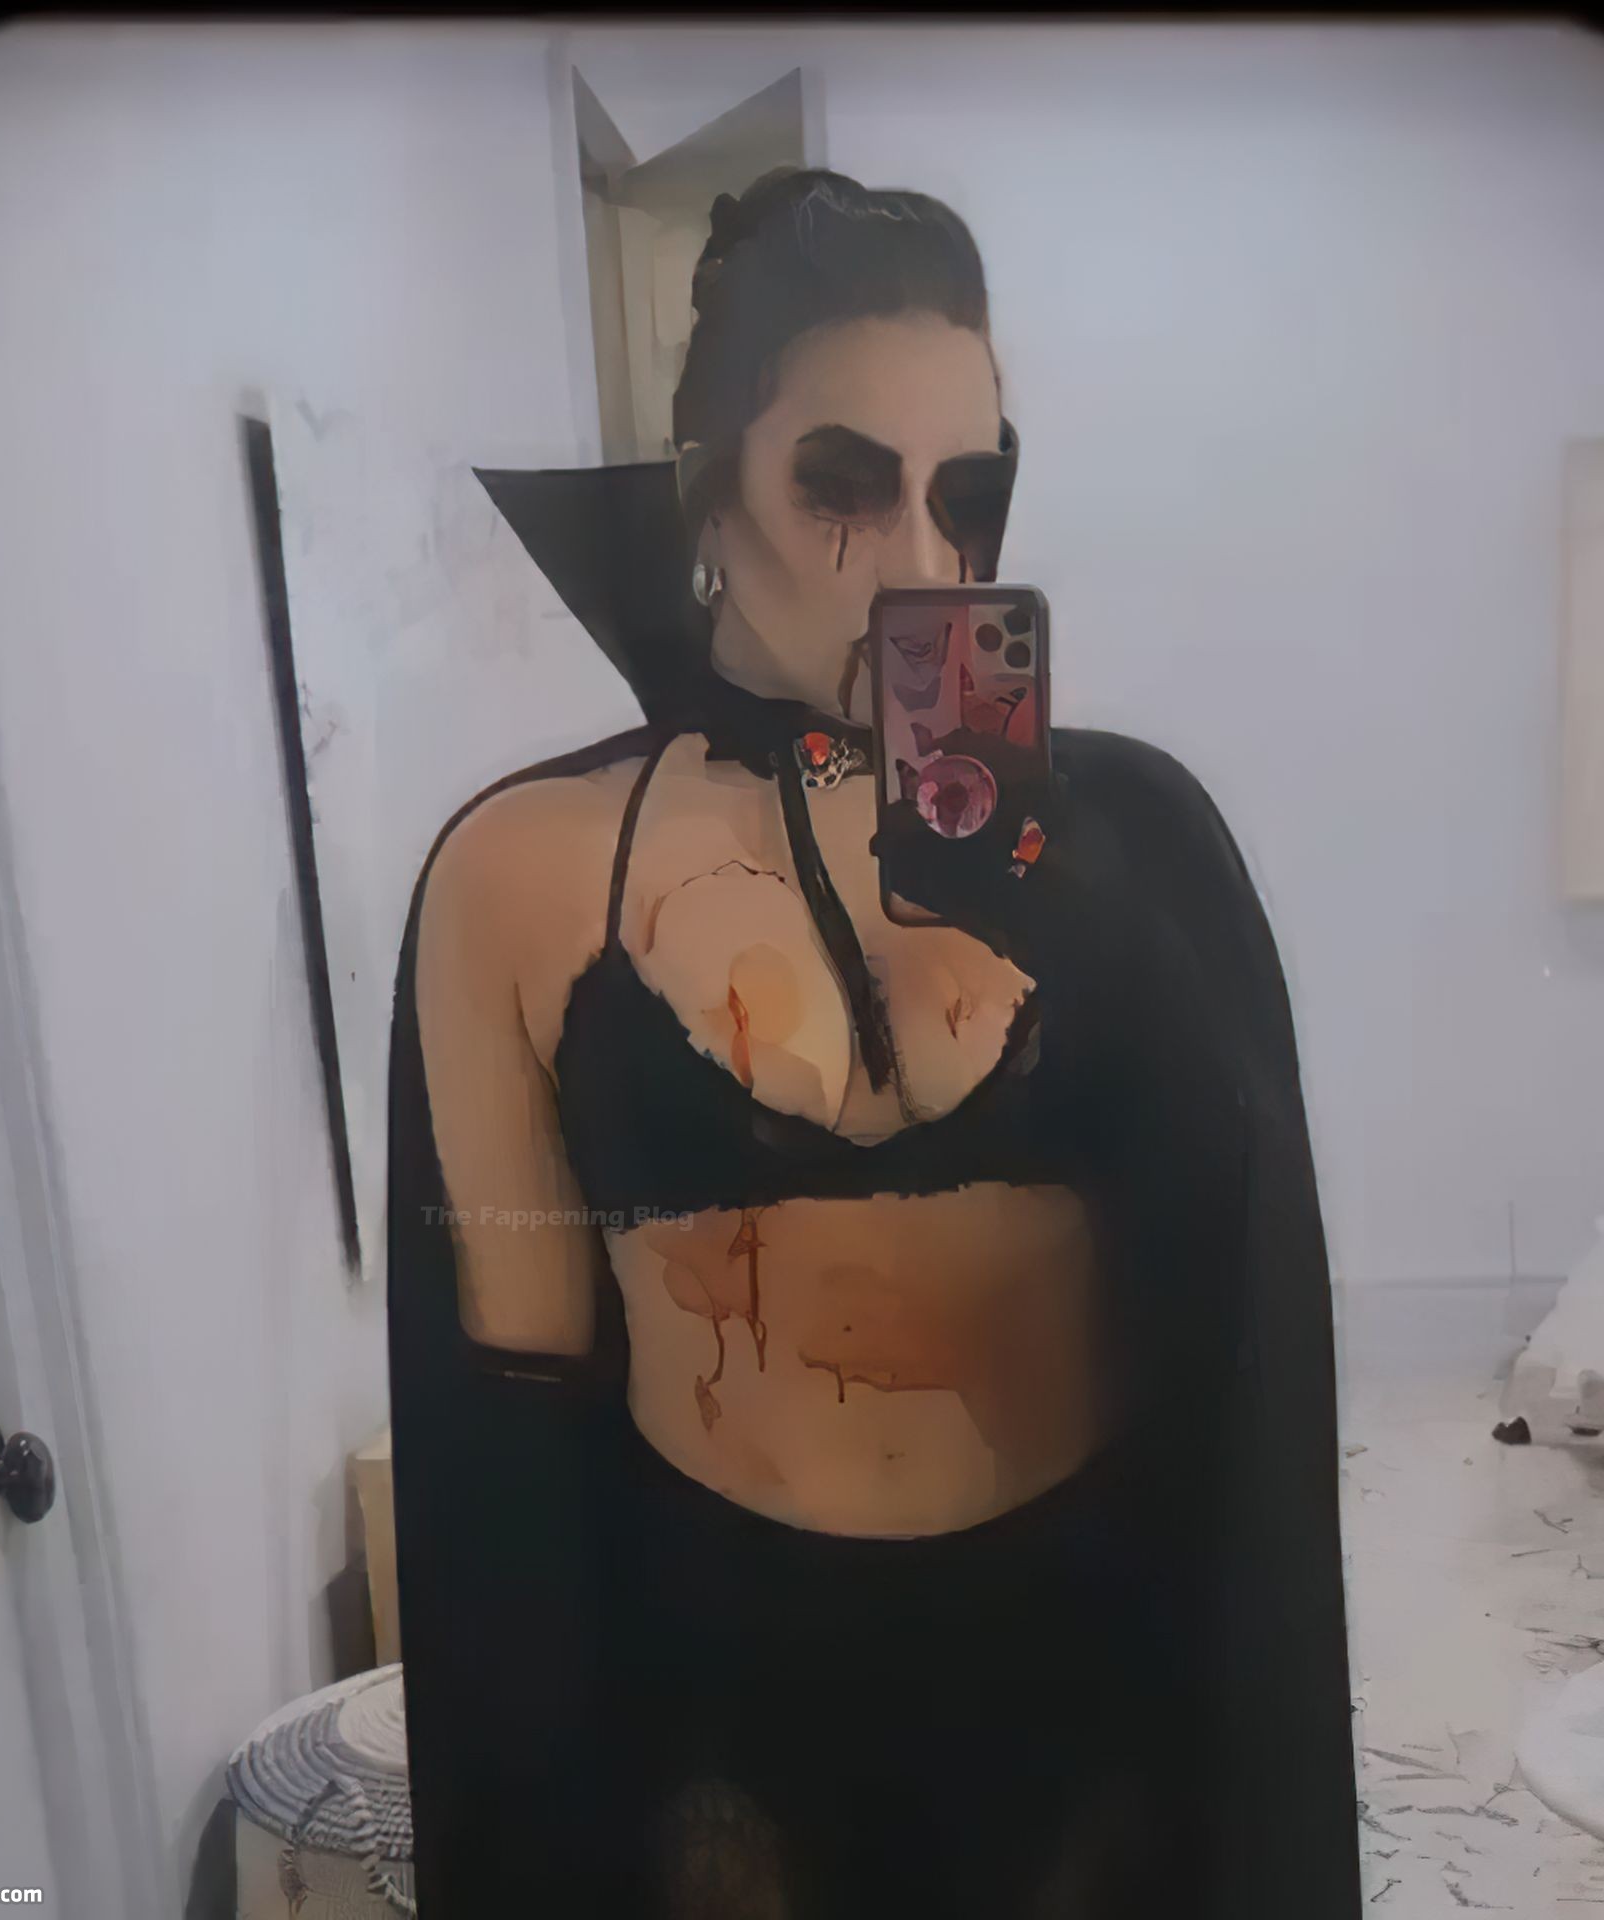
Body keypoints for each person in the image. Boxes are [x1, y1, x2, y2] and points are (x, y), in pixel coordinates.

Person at [387, 166, 1360, 1918]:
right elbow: (508, 1440)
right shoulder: (516, 875)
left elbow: (1242, 1305)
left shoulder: (1134, 841)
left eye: (967, 493)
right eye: (842, 483)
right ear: (707, 481)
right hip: (716, 1719)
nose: (921, 561)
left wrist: (1060, 903)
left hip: (1080, 1683)